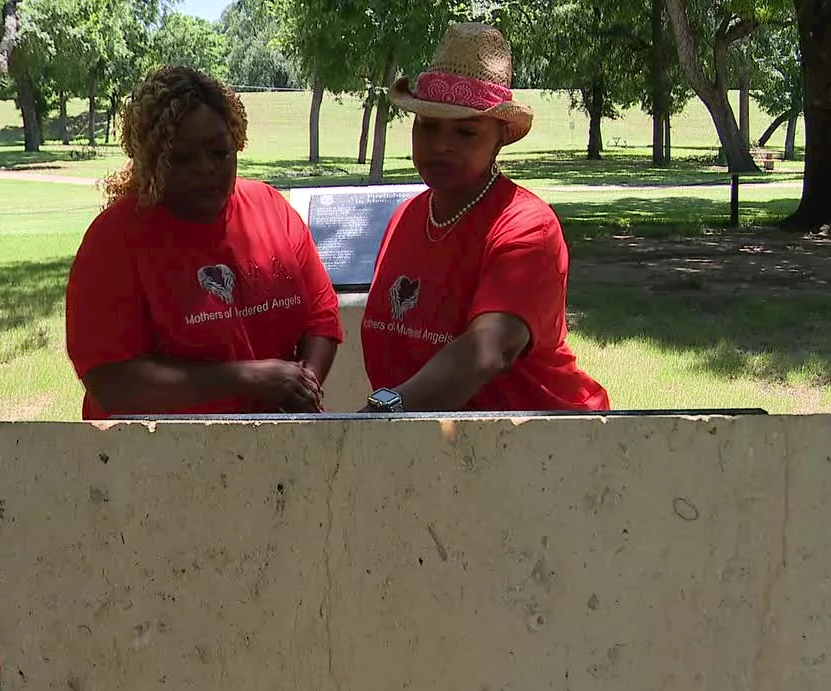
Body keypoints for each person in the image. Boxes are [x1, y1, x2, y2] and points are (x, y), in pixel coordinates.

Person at [65, 65, 343, 420]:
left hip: (277, 440)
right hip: (156, 454)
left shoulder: (271, 207)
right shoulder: (114, 240)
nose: (206, 169)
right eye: (181, 158)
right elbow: (112, 380)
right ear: (151, 160)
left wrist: (300, 390)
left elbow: (321, 317)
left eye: (220, 153)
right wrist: (247, 378)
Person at [358, 22, 610, 414]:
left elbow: (492, 349)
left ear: (500, 137)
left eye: (467, 132)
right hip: (432, 448)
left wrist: (384, 413)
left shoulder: (526, 226)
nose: (441, 145)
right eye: (428, 125)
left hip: (543, 448)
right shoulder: (405, 219)